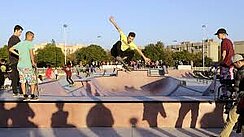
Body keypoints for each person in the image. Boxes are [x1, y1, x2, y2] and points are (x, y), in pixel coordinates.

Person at [219, 54, 244, 137]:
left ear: (239, 62)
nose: (234, 66)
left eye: (234, 64)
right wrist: (229, 81)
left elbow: (237, 87)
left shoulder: (241, 71)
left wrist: (230, 88)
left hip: (241, 100)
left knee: (231, 119)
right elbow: (237, 81)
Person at [9, 31, 37, 100]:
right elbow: (31, 54)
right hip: (27, 65)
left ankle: (25, 94)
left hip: (20, 65)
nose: (33, 38)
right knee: (32, 80)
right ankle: (32, 94)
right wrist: (33, 62)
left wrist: (18, 55)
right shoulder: (29, 43)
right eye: (32, 37)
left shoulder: (20, 43)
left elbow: (10, 49)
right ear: (29, 36)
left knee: (22, 80)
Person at [215, 28, 235, 99]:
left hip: (225, 64)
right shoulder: (229, 41)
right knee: (229, 80)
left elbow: (224, 53)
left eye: (218, 35)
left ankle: (225, 95)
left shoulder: (224, 42)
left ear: (222, 34)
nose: (217, 36)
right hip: (230, 63)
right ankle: (229, 94)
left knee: (223, 80)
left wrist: (219, 62)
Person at [7, 25, 23, 96]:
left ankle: (18, 91)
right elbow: (10, 49)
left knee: (17, 76)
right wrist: (19, 55)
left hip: (15, 60)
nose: (20, 34)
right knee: (16, 76)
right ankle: (16, 91)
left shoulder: (14, 38)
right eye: (20, 32)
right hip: (15, 60)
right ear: (16, 30)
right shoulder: (14, 38)